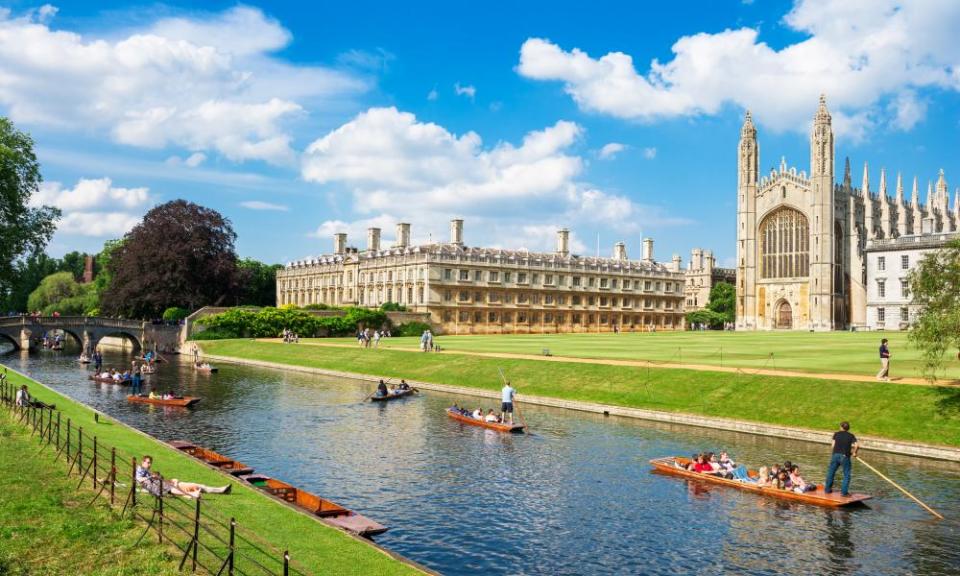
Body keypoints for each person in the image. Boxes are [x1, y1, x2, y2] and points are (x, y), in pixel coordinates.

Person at [136, 455, 231, 498]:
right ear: (142, 462)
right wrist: (151, 477)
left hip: (170, 485)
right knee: (190, 488)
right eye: (147, 463)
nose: (149, 465)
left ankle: (221, 490)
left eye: (150, 463)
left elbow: (159, 480)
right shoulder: (140, 469)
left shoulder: (148, 471)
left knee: (197, 485)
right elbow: (139, 479)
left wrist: (171, 480)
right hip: (169, 487)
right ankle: (192, 494)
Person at [825, 421, 858, 496]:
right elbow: (856, 445)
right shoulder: (851, 435)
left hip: (835, 455)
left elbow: (832, 446)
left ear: (841, 427)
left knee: (831, 472)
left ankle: (827, 490)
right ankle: (844, 493)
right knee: (846, 474)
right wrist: (854, 452)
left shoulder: (836, 434)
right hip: (845, 457)